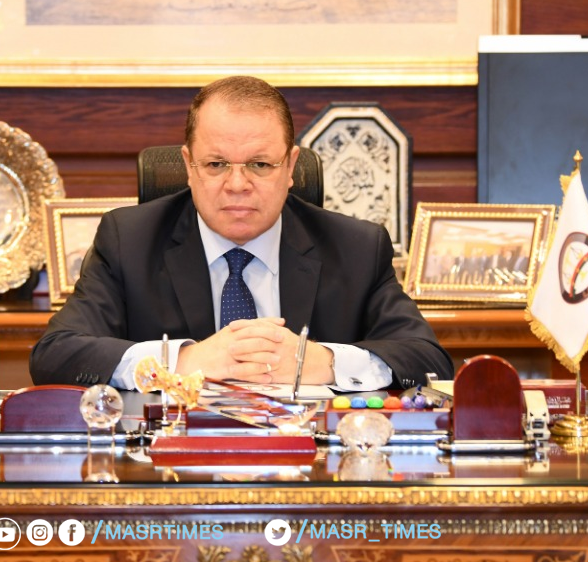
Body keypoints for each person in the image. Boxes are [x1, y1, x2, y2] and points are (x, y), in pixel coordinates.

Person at [29, 76, 453, 390]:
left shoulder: (356, 248)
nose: (237, 184)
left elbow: (428, 361)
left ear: (290, 167)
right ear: (189, 166)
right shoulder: (129, 241)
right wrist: (184, 360)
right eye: (216, 164)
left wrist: (322, 362)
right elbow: (56, 355)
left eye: (260, 164)